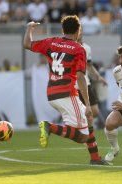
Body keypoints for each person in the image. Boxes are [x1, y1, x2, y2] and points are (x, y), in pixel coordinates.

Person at [23, 15, 110, 165]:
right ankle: (50, 127)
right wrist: (88, 104)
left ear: (63, 30)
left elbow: (27, 44)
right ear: (78, 31)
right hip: (67, 93)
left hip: (52, 93)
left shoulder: (51, 42)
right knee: (82, 136)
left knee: (88, 120)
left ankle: (95, 158)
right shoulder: (79, 49)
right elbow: (81, 77)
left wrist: (29, 28)